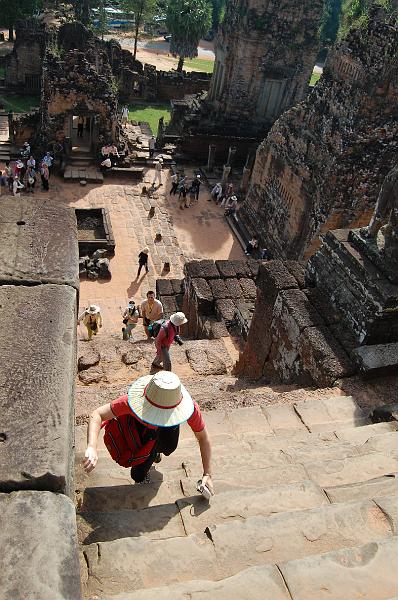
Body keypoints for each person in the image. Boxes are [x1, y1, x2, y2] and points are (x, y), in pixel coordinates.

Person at [83, 370, 214, 494]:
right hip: (143, 433)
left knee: (169, 447)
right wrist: (91, 446)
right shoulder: (130, 403)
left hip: (167, 431)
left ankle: (156, 452)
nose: (160, 417)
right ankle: (142, 475)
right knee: (140, 469)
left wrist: (207, 474)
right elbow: (98, 414)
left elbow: (203, 438)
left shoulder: (190, 409)